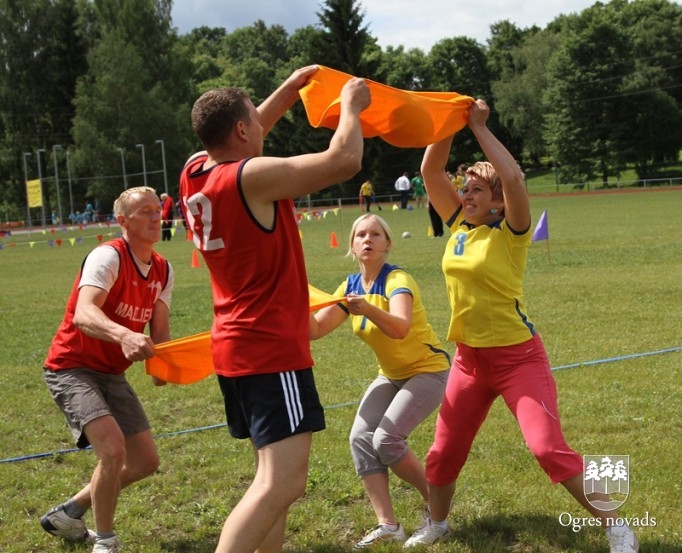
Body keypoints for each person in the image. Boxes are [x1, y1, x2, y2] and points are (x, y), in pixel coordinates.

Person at [404, 99, 639, 553]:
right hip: (469, 362)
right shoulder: (457, 227)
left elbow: (512, 177)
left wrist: (478, 127)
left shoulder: (510, 230)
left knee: (549, 450)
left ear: (496, 201)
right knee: (442, 455)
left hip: (518, 359)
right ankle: (438, 523)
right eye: (464, 188)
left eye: (475, 190)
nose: (465, 195)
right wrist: (448, 121)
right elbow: (430, 170)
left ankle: (619, 526)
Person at [178, 65, 370, 553]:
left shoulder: (194, 172)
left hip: (235, 345)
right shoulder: (250, 178)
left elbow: (246, 128)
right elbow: (343, 160)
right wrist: (351, 104)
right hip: (270, 349)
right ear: (241, 131)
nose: (263, 125)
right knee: (283, 484)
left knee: (270, 479)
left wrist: (290, 87)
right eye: (254, 121)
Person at [40, 186, 174, 553]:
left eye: (156, 210)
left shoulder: (163, 268)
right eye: (143, 211)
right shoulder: (107, 257)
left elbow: (159, 331)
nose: (153, 217)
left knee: (145, 461)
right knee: (113, 451)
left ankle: (69, 512)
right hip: (72, 367)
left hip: (111, 373)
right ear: (122, 221)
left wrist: (166, 366)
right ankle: (105, 541)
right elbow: (84, 314)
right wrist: (124, 335)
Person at [310, 214, 450, 549]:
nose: (367, 239)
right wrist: (289, 304)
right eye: (360, 234)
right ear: (353, 246)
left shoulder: (396, 279)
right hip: (391, 374)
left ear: (388, 243)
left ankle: (437, 509)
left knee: (386, 439)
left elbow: (400, 327)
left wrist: (369, 309)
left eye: (376, 234)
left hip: (428, 370)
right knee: (361, 437)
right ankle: (388, 525)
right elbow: (314, 329)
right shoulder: (350, 287)